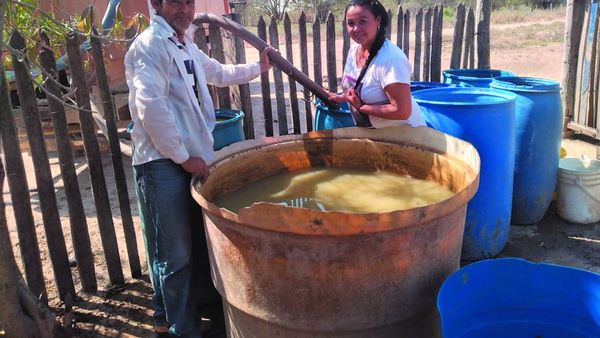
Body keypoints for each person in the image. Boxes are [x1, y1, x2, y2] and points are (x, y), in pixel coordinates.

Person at [124, 0, 272, 337]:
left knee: (184, 247)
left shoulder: (184, 44)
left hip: (187, 157)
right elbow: (151, 109)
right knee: (174, 254)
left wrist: (258, 68)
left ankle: (165, 318)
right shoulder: (149, 46)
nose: (185, 9)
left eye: (189, 2)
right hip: (162, 162)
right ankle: (182, 330)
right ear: (157, 5)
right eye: (176, 2)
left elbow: (217, 72)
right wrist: (182, 156)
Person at [329, 0, 425, 128]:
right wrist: (342, 97)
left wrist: (361, 107)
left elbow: (402, 111)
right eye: (350, 23)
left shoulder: (391, 59)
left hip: (406, 138)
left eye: (362, 21)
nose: (356, 29)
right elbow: (358, 85)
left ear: (378, 20)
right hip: (375, 137)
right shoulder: (354, 50)